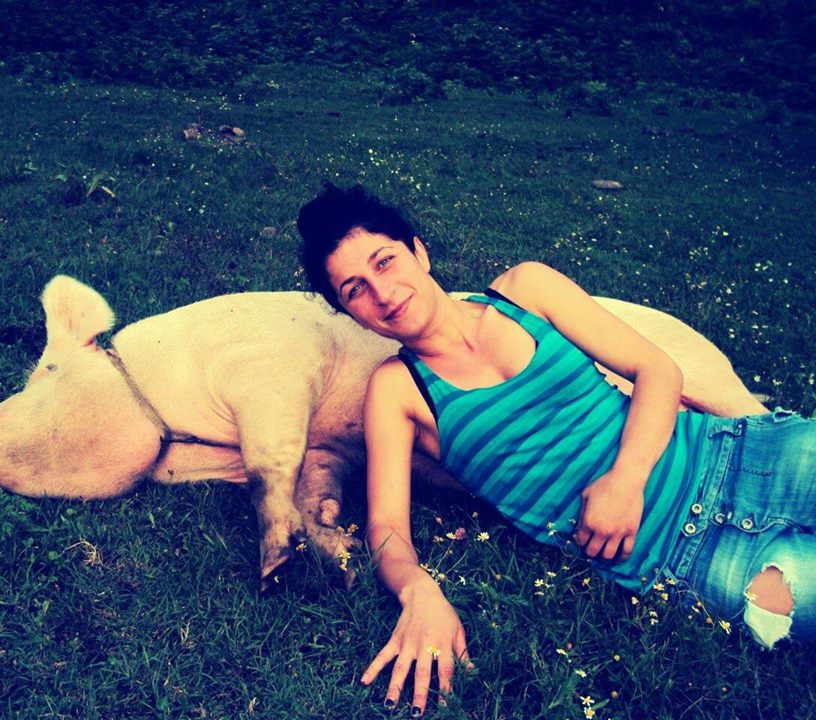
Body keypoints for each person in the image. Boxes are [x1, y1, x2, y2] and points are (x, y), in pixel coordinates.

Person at [297, 184, 815, 717]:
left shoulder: (526, 290)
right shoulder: (397, 390)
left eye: (385, 261)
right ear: (351, 314)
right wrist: (417, 590)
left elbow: (656, 369)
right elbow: (387, 529)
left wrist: (626, 479)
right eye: (355, 290)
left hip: (740, 456)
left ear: (418, 252)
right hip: (689, 558)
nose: (383, 293)